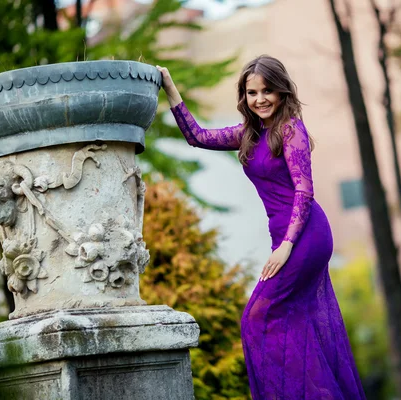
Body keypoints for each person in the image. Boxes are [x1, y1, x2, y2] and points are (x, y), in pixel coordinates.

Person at [157, 55, 366, 400]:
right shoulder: (248, 135)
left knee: (257, 318)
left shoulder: (290, 129)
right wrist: (170, 87)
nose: (260, 99)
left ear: (282, 91)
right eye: (252, 92)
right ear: (244, 97)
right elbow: (196, 136)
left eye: (267, 90)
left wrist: (285, 246)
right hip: (286, 239)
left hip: (304, 237)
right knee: (290, 324)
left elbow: (304, 189)